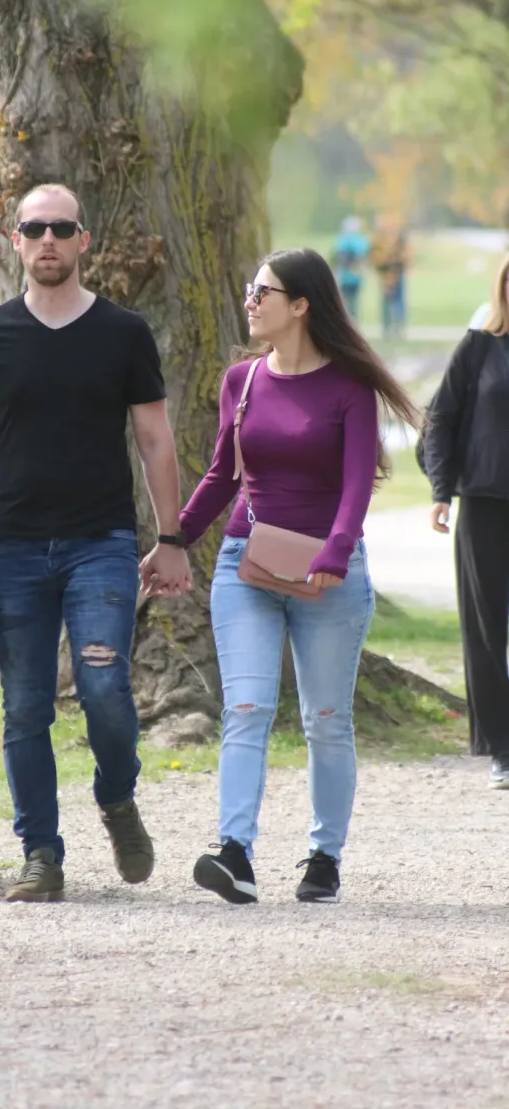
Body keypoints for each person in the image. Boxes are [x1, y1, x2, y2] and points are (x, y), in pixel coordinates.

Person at [0, 182, 191, 902]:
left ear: (82, 241)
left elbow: (155, 437)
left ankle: (117, 796)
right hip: (11, 548)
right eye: (33, 228)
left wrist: (172, 537)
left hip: (100, 543)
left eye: (60, 228)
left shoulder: (124, 333)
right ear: (15, 240)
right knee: (25, 706)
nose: (47, 240)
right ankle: (41, 855)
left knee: (103, 687)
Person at [142, 249, 417, 905]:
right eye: (249, 288)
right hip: (247, 565)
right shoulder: (241, 381)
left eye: (262, 291)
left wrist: (334, 554)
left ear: (300, 305)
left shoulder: (350, 390)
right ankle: (233, 851)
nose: (250, 301)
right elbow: (221, 475)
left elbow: (356, 487)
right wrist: (173, 539)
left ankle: (324, 858)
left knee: (326, 719)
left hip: (332, 575)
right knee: (246, 706)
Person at [425, 251, 509, 790]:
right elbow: (441, 416)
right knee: (487, 629)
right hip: (484, 504)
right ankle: (502, 746)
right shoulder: (480, 346)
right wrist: (440, 492)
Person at [370, 221, 410, 339]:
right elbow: (376, 258)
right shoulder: (380, 243)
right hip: (386, 276)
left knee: (397, 302)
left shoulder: (398, 242)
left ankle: (398, 327)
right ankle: (388, 327)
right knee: (388, 303)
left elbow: (405, 258)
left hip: (396, 275)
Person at [331, 216, 370, 320]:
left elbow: (338, 258)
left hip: (346, 275)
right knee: (353, 301)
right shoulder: (361, 240)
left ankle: (348, 321)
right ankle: (352, 321)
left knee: (346, 301)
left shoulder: (342, 240)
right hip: (356, 275)